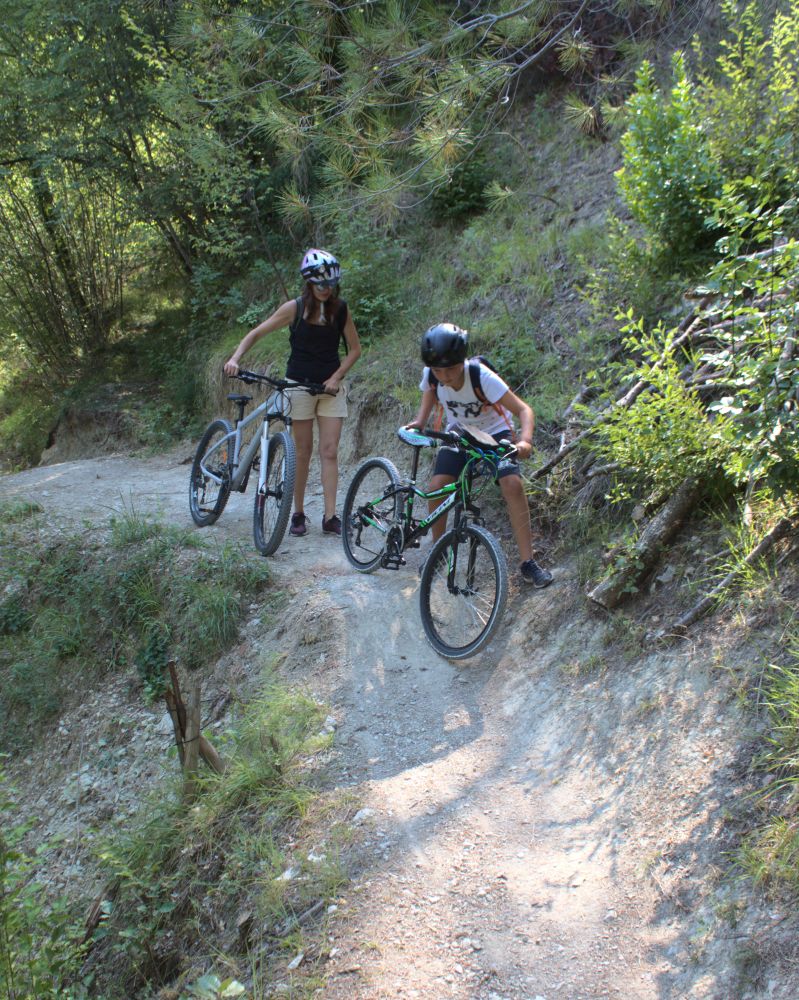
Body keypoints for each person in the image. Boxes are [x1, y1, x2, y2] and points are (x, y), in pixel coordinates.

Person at [224, 249, 361, 536]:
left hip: (330, 389)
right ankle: (297, 513)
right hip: (298, 385)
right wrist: (236, 358)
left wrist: (336, 376)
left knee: (330, 451)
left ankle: (330, 516)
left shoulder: (341, 309)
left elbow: (355, 350)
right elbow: (257, 332)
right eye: (320, 285)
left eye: (331, 285)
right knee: (302, 451)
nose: (326, 290)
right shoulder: (295, 308)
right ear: (309, 283)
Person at [405, 323, 553, 588]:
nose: (445, 376)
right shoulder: (433, 373)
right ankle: (438, 550)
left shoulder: (481, 376)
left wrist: (526, 440)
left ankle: (528, 563)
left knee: (512, 484)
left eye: (450, 369)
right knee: (437, 486)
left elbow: (523, 410)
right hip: (460, 434)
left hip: (494, 435)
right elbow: (429, 391)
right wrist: (419, 421)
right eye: (439, 371)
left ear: (462, 361)